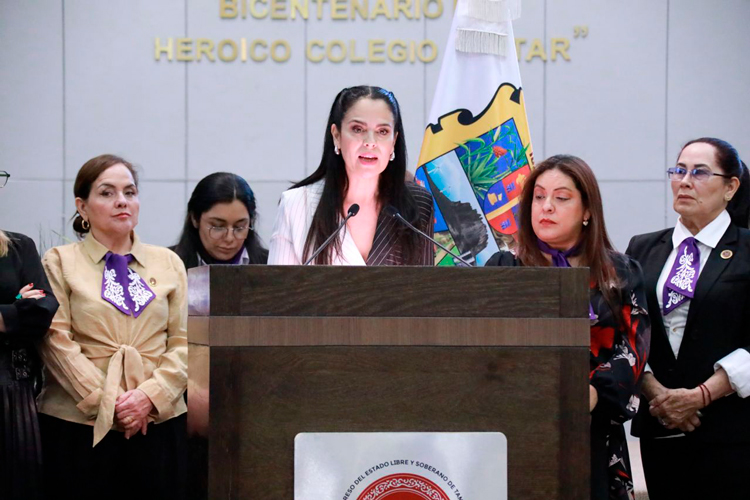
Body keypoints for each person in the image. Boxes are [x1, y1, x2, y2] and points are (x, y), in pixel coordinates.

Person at [486, 155, 650, 500]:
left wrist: (587, 393)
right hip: (515, 427)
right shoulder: (504, 268)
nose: (546, 206)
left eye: (561, 198)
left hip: (591, 427)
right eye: (538, 197)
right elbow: (483, 348)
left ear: (587, 210)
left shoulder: (620, 272)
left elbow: (633, 350)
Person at [38, 154, 188, 500]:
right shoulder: (60, 261)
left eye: (129, 192)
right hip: (78, 425)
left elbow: (185, 342)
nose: (122, 201)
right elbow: (55, 341)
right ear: (82, 206)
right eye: (107, 193)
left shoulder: (168, 262)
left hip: (157, 421)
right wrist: (109, 404)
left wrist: (149, 397)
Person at [626, 138, 750, 500]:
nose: (684, 181)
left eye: (700, 172)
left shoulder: (746, 250)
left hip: (731, 429)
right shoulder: (642, 248)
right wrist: (657, 393)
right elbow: (627, 331)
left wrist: (701, 395)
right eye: (678, 171)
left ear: (730, 187)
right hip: (660, 423)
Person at [268, 85, 434, 266]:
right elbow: (279, 284)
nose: (370, 142)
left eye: (382, 131)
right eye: (358, 129)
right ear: (336, 135)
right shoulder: (296, 204)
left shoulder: (417, 204)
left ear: (394, 141)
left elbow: (426, 284)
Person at [0, 169, 59, 500]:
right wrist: (14, 309)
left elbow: (42, 312)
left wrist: (11, 312)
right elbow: (24, 314)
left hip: (13, 393)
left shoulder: (19, 247)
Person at [172, 172, 268, 269]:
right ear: (195, 219)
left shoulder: (271, 265)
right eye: (217, 226)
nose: (229, 238)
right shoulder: (167, 266)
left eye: (239, 227)